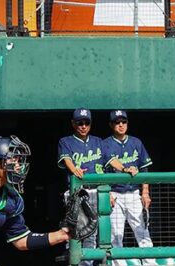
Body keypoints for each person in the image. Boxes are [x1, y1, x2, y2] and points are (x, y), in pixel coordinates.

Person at [0, 136, 70, 263]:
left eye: (19, 160)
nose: (18, 166)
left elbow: (21, 241)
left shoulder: (11, 199)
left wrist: (62, 235)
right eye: (13, 160)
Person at [101, 110, 154, 260]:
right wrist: (107, 193)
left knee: (142, 231)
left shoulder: (136, 142)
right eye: (117, 122)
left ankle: (150, 263)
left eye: (123, 122)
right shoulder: (105, 144)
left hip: (133, 193)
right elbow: (100, 171)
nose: (121, 125)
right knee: (116, 234)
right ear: (111, 125)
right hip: (115, 194)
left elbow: (144, 168)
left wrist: (145, 192)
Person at [58, 108, 107, 265]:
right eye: (80, 123)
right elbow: (67, 160)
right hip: (77, 192)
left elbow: (108, 165)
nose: (83, 126)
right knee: (74, 232)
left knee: (92, 234)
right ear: (73, 123)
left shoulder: (98, 141)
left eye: (86, 123)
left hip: (95, 191)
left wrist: (125, 169)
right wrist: (74, 169)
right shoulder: (66, 141)